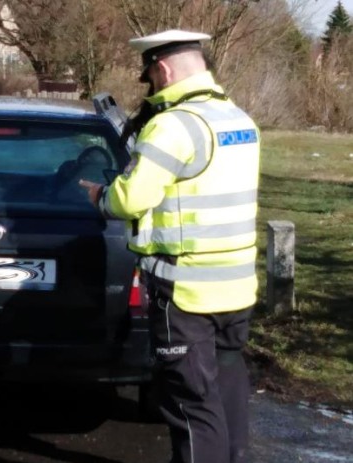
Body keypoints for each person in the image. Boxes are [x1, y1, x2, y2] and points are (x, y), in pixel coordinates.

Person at [80, 30, 260, 463]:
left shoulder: (173, 126)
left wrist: (98, 197)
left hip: (186, 294)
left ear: (161, 68)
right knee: (227, 389)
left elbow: (131, 198)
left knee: (190, 403)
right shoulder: (239, 120)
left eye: (150, 77)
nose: (152, 86)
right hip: (236, 289)